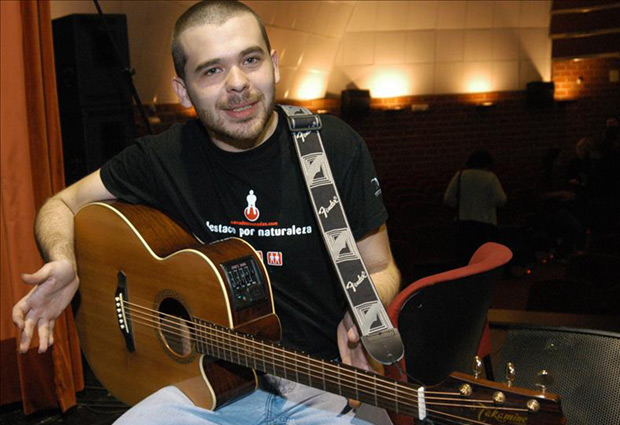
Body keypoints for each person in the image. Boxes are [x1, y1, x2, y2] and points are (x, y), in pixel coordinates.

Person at [12, 2, 400, 424]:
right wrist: (63, 259)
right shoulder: (163, 157)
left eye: (250, 60)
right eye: (211, 71)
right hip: (205, 390)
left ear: (273, 66)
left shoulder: (332, 149)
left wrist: (365, 312)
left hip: (320, 386)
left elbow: (379, 266)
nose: (237, 83)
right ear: (182, 91)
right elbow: (61, 204)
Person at [443, 150, 506, 265]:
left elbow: (448, 199)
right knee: (485, 259)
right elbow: (501, 200)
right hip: (486, 222)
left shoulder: (460, 175)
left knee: (466, 258)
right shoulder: (490, 177)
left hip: (464, 223)